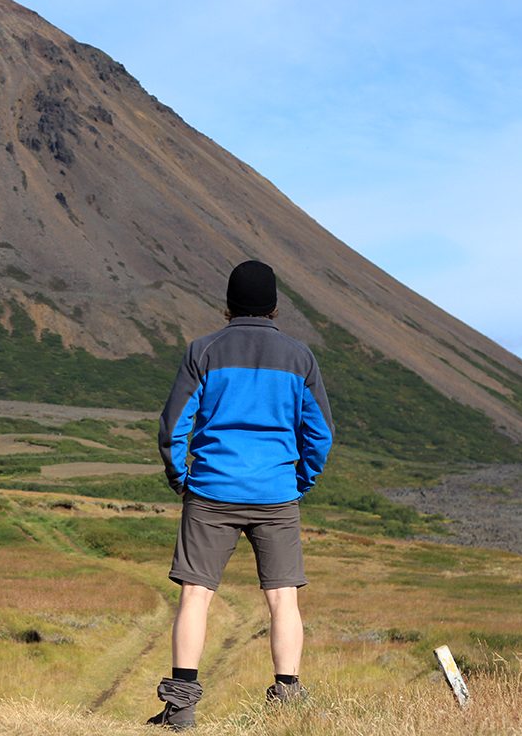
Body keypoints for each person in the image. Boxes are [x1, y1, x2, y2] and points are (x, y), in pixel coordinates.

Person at [148, 260, 334, 730]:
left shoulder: (203, 350)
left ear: (227, 305)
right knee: (283, 600)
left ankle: (181, 709)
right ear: (274, 306)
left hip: (210, 490)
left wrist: (181, 479)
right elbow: (321, 435)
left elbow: (173, 427)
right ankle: (287, 699)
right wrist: (299, 483)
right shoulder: (300, 357)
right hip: (276, 494)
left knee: (196, 595)